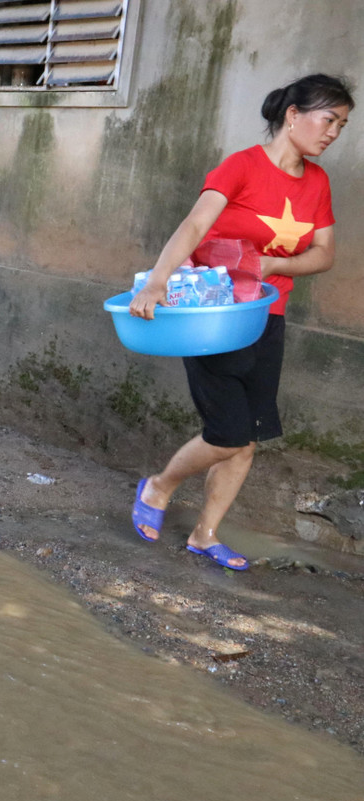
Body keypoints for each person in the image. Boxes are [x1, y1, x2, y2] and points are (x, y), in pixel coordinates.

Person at [129, 74, 352, 570]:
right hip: (214, 317)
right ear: (293, 114)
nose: (334, 132)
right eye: (328, 119)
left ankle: (206, 535)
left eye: (342, 124)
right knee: (226, 433)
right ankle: (160, 486)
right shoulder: (242, 166)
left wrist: (274, 266)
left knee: (246, 441)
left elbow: (324, 255)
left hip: (267, 318)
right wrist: (157, 281)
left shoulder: (317, 182)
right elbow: (194, 224)